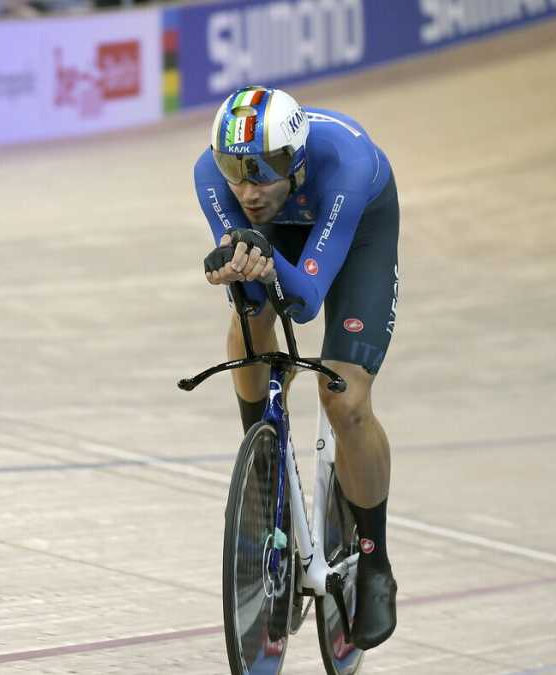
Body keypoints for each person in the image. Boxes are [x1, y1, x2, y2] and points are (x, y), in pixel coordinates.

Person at [195, 85, 400, 649]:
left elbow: (306, 297)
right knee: (247, 321)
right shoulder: (213, 175)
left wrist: (256, 247)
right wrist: (234, 259)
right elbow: (250, 274)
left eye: (260, 176)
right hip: (279, 239)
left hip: (354, 233)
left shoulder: (348, 165)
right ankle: (264, 476)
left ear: (296, 161)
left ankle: (376, 562)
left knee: (346, 400)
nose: (247, 191)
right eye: (236, 176)